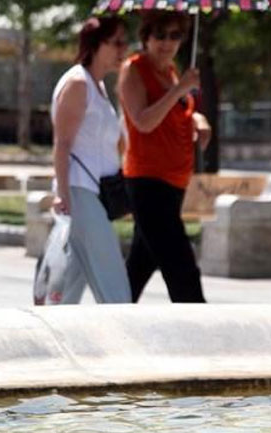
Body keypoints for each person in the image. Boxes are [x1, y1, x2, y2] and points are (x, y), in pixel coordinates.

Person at [117, 10, 212, 303]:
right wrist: (181, 90)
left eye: (175, 35)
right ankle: (202, 333)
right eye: (160, 35)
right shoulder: (134, 69)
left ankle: (110, 317)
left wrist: (196, 118)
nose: (167, 43)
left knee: (139, 266)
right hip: (148, 181)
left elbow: (172, 114)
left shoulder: (172, 72)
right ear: (145, 36)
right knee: (181, 266)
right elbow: (143, 121)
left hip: (175, 181)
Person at [47, 16, 131, 304]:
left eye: (125, 42)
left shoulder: (97, 86)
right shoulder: (78, 83)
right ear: (96, 45)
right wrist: (62, 193)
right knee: (113, 283)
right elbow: (62, 143)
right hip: (80, 193)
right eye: (116, 42)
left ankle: (51, 336)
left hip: (93, 194)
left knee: (70, 283)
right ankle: (126, 340)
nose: (123, 48)